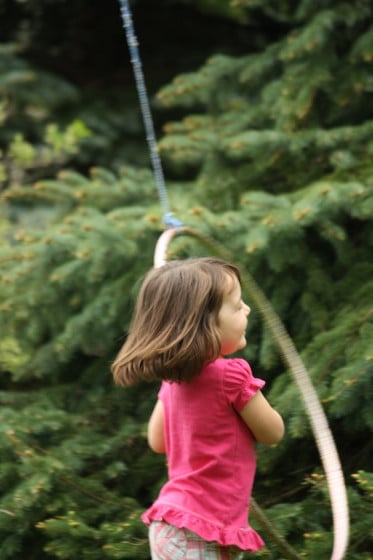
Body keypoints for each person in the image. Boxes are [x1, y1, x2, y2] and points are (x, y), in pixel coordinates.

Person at [112, 257, 285, 560]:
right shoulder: (231, 375)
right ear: (205, 323)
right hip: (201, 529)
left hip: (176, 526)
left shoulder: (174, 380)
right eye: (236, 305)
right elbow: (273, 432)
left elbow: (157, 441)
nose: (246, 309)